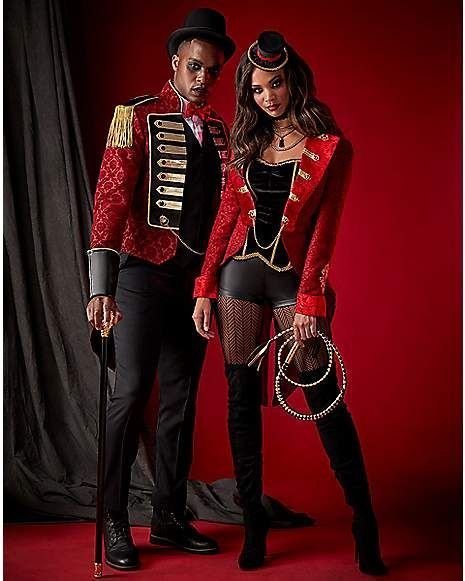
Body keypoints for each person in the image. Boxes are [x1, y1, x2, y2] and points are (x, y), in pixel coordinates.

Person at [193, 31, 387, 575]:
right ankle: (253, 519)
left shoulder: (330, 147)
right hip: (237, 278)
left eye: (274, 85)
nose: (267, 98)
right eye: (257, 91)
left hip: (291, 283)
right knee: (239, 397)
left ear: (292, 81)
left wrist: (311, 297)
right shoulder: (245, 144)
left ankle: (364, 518)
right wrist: (204, 286)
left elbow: (326, 230)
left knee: (323, 396)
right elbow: (226, 219)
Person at [86, 8, 235, 571]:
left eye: (212, 71)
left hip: (194, 284)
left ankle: (169, 516)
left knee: (180, 400)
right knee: (129, 395)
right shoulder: (137, 117)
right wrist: (100, 287)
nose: (203, 78)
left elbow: (225, 212)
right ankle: (114, 517)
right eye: (195, 66)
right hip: (142, 275)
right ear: (176, 62)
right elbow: (110, 200)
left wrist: (213, 284)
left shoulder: (219, 132)